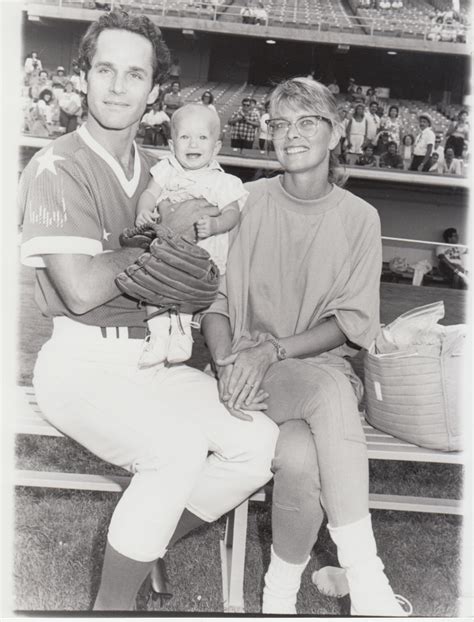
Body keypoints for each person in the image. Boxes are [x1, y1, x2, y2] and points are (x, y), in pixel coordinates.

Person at [19, 10, 278, 611]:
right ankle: (110, 606)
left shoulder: (162, 172)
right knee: (176, 450)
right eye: (104, 69)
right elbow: (81, 289)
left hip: (154, 360)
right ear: (82, 76)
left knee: (258, 443)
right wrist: (165, 240)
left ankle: (148, 538)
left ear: (155, 91)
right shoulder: (58, 165)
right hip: (82, 363)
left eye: (134, 74)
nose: (116, 86)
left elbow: (201, 278)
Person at [201, 76, 410, 616]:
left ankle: (278, 598)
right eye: (280, 123)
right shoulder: (245, 201)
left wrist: (272, 351)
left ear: (336, 131)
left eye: (306, 121)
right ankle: (369, 583)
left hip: (307, 368)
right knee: (325, 397)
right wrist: (228, 363)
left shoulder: (361, 218)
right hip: (249, 369)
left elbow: (350, 322)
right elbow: (216, 301)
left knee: (299, 456)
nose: (291, 134)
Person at [134, 103, 247, 367]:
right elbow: (150, 194)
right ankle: (158, 335)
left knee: (188, 293)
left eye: (202, 137)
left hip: (199, 256)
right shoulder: (167, 170)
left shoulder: (222, 181)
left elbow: (232, 213)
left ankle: (182, 335)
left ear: (216, 147)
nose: (193, 144)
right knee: (152, 285)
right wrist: (143, 211)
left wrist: (217, 225)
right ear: (173, 146)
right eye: (185, 137)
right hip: (168, 249)